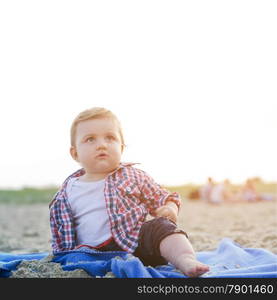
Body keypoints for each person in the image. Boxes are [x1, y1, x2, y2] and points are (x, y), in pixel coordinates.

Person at [49, 107, 209, 277]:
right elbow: (61, 231)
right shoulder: (66, 192)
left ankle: (185, 259)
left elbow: (163, 196)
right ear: (75, 153)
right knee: (73, 256)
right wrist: (63, 254)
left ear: (122, 147)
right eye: (90, 139)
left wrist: (169, 208)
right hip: (89, 253)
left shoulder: (132, 176)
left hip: (135, 244)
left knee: (161, 227)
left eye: (110, 138)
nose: (102, 145)